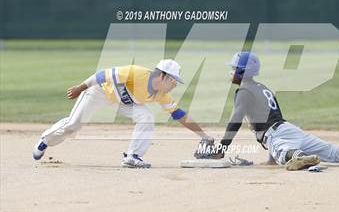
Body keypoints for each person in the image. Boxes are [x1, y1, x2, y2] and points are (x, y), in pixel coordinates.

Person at [196, 52, 339, 171]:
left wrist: (223, 147)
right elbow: (274, 117)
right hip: (291, 130)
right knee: (336, 152)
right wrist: (270, 158)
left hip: (276, 136)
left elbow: (235, 121)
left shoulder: (243, 90)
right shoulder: (262, 87)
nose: (231, 71)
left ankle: (302, 157)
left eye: (234, 68)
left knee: (286, 154)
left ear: (243, 71)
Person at [33, 59, 213, 168]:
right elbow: (102, 75)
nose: (175, 84)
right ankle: (45, 140)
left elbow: (179, 114)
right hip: (100, 92)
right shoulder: (137, 73)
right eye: (174, 80)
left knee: (147, 116)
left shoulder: (162, 94)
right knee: (73, 125)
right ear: (163, 76)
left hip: (123, 102)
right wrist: (81, 88)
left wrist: (203, 135)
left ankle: (132, 156)